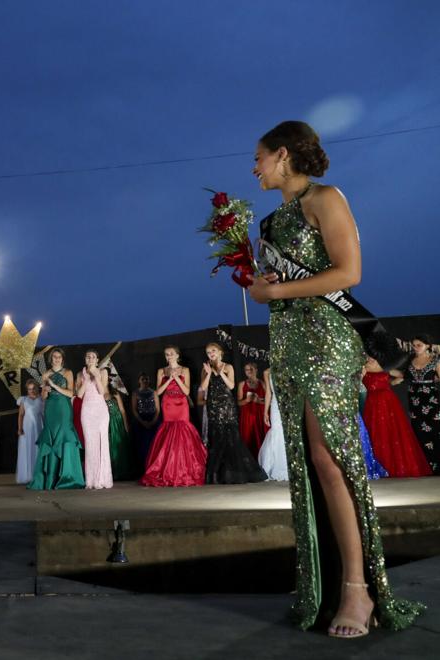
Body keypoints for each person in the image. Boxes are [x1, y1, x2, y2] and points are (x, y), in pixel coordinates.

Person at [248, 120, 423, 636]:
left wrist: (278, 294)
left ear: (283, 155)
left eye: (258, 158)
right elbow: (284, 281)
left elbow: (348, 274)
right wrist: (265, 285)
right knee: (306, 462)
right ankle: (320, 585)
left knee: (330, 458)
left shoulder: (326, 198)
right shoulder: (269, 222)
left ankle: (358, 590)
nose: (254, 168)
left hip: (328, 340)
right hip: (289, 344)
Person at [201, 344, 267, 484]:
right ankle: (218, 475)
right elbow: (203, 388)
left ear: (220, 352)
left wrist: (219, 373)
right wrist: (208, 373)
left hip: (227, 405)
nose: (211, 353)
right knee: (217, 438)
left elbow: (231, 386)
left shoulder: (228, 367)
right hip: (213, 406)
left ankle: (236, 473)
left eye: (213, 351)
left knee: (231, 437)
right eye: (208, 352)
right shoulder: (206, 367)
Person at [140, 346, 206, 487]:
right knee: (168, 433)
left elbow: (187, 391)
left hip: (181, 403)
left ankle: (184, 470)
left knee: (183, 432)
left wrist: (178, 379)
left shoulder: (185, 370)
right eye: (166, 354)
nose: (169, 356)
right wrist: (169, 380)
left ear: (177, 355)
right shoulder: (161, 371)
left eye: (171, 354)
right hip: (168, 403)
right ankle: (168, 470)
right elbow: (158, 393)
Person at [361, 358, 431, 478]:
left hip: (388, 402)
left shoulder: (385, 366)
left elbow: (404, 375)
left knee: (394, 433)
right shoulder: (363, 368)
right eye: (369, 356)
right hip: (372, 403)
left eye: (373, 356)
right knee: (376, 432)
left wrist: (390, 383)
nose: (370, 359)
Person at [28, 348, 85, 490]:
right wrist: (45, 391)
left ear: (62, 359)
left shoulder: (68, 372)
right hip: (51, 408)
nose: (57, 359)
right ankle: (50, 478)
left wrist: (53, 385)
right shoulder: (46, 374)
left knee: (65, 435)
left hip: (64, 408)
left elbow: (71, 393)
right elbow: (43, 397)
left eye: (59, 357)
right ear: (51, 359)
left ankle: (68, 476)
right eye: (54, 357)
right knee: (51, 436)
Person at [78, 349, 112, 489]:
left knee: (102, 443)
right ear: (85, 359)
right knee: (90, 444)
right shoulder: (81, 373)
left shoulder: (103, 371)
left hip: (100, 410)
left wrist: (95, 375)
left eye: (93, 357)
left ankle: (102, 478)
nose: (90, 359)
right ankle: (91, 480)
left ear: (97, 360)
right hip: (87, 411)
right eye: (88, 357)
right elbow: (79, 394)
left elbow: (102, 391)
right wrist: (86, 379)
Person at [405, 335, 440, 473]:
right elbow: (404, 375)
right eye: (414, 345)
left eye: (419, 345)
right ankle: (424, 467)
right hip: (414, 399)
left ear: (428, 346)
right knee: (418, 431)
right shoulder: (410, 360)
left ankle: (437, 467)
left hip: (431, 399)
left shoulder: (435, 360)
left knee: (435, 430)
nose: (415, 348)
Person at [257, 368, 288, 481]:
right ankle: (275, 467)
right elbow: (268, 393)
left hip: (290, 404)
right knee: (276, 432)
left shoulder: (291, 364)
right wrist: (265, 411)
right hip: (275, 405)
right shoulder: (267, 372)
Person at [105, 372, 135, 481]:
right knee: (108, 447)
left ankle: (121, 472)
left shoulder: (115, 393)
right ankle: (111, 473)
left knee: (119, 446)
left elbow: (122, 410)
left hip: (117, 421)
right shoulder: (98, 393)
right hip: (105, 422)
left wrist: (126, 425)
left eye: (107, 379)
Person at [15, 379, 44, 484]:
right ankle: (27, 475)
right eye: (29, 389)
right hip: (27, 428)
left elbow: (44, 415)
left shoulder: (41, 399)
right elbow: (21, 415)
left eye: (32, 389)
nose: (30, 391)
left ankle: (38, 474)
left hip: (39, 427)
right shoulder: (24, 400)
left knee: (37, 450)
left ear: (36, 388)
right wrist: (19, 428)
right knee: (27, 450)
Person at [237, 362, 269, 457]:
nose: (249, 371)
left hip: (260, 414)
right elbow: (238, 402)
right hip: (247, 415)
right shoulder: (242, 384)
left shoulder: (262, 383)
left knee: (261, 437)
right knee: (248, 438)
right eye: (247, 369)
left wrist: (258, 401)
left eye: (251, 369)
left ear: (256, 370)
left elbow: (269, 401)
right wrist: (247, 400)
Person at [130, 372, 160, 471]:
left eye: (146, 379)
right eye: (143, 379)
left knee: (153, 444)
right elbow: (134, 409)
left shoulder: (154, 392)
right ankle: (142, 468)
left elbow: (158, 409)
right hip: (140, 420)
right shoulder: (135, 393)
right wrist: (142, 422)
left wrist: (153, 421)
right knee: (141, 445)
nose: (145, 381)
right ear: (139, 381)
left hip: (153, 419)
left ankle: (153, 467)